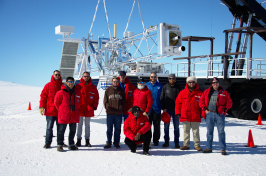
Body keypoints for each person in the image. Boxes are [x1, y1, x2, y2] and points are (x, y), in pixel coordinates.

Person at [199, 77, 232, 155]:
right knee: (209, 132)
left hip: (219, 115)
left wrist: (224, 109)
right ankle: (208, 147)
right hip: (209, 114)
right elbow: (201, 101)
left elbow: (229, 102)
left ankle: (222, 149)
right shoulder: (207, 92)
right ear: (212, 84)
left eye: (216, 82)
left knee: (221, 132)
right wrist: (205, 110)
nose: (215, 84)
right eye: (213, 83)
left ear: (219, 83)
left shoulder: (224, 92)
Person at [175, 76, 202, 151]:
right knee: (186, 131)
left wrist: (203, 113)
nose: (191, 83)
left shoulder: (199, 93)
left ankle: (197, 145)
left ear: (195, 83)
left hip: (195, 115)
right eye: (190, 82)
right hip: (185, 115)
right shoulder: (182, 92)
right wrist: (177, 112)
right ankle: (186, 144)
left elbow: (203, 104)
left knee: (196, 131)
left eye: (193, 82)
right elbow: (178, 103)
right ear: (187, 83)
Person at [54, 77, 81, 152]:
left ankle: (71, 144)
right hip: (64, 115)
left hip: (74, 115)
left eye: (72, 81)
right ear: (66, 82)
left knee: (72, 130)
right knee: (61, 131)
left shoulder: (77, 92)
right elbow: (56, 103)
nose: (71, 83)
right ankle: (59, 145)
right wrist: (62, 110)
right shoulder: (60, 92)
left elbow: (79, 103)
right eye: (69, 81)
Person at [39, 70, 63, 149]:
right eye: (56, 74)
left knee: (60, 128)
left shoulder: (63, 86)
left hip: (60, 111)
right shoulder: (48, 85)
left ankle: (60, 142)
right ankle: (48, 142)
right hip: (50, 111)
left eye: (58, 75)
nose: (57, 76)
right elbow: (43, 96)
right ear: (53, 75)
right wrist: (41, 106)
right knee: (49, 128)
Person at [76, 71, 99, 147]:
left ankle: (87, 141)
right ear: (82, 77)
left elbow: (96, 98)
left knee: (87, 125)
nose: (86, 78)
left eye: (87, 76)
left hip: (88, 109)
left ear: (89, 77)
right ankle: (78, 140)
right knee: (79, 124)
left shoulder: (93, 87)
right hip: (80, 108)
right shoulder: (78, 86)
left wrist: (94, 106)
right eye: (85, 76)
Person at [103, 77, 126, 149]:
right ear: (112, 82)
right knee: (109, 129)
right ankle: (108, 142)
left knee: (117, 129)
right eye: (114, 81)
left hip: (118, 113)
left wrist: (121, 108)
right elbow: (105, 101)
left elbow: (124, 101)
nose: (115, 83)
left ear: (118, 82)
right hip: (110, 113)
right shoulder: (108, 90)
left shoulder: (121, 91)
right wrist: (107, 107)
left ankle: (116, 142)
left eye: (116, 81)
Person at [160, 74, 180, 148]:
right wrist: (163, 108)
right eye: (170, 78)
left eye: (173, 78)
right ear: (168, 79)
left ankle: (176, 142)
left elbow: (180, 99)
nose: (172, 80)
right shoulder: (165, 87)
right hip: (167, 110)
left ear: (175, 79)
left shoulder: (178, 87)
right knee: (166, 127)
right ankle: (166, 142)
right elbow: (162, 98)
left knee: (176, 127)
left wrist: (179, 109)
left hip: (176, 110)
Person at [145, 72, 163, 146]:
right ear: (150, 77)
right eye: (152, 77)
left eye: (154, 77)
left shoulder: (160, 86)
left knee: (157, 126)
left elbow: (162, 97)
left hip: (157, 109)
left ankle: (156, 140)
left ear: (156, 77)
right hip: (148, 109)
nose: (153, 78)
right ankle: (148, 140)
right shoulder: (146, 85)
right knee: (147, 126)